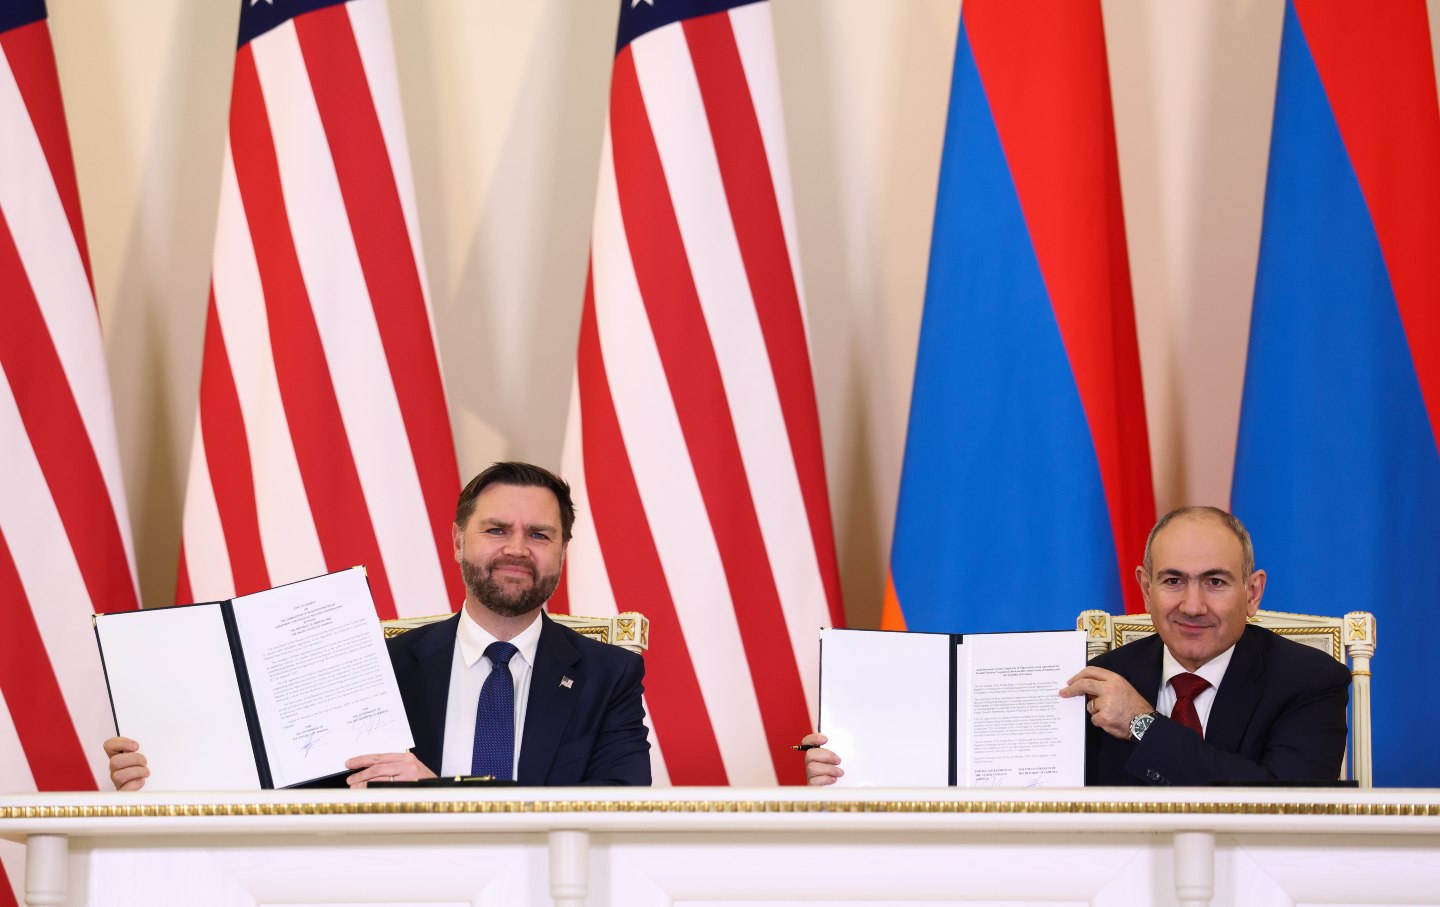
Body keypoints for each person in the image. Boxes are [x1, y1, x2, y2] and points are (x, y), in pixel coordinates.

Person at [106, 462, 651, 790]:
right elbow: (306, 792)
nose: (516, 548)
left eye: (539, 534)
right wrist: (167, 775)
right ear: (459, 541)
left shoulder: (611, 674)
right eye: (495, 529)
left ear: (561, 553)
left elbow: (618, 808)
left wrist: (435, 795)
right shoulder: (378, 663)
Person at [801, 506, 1350, 786]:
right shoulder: (1091, 676)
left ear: (1253, 592)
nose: (1191, 605)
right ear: (1144, 587)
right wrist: (857, 765)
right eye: (1173, 580)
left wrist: (1143, 725)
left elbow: (1284, 805)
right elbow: (996, 779)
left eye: (1215, 581)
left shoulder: (1309, 680)